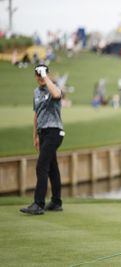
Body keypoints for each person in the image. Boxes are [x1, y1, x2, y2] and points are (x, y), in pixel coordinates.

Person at [20, 64, 65, 215]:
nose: (40, 77)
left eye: (42, 74)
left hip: (54, 131)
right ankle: (56, 202)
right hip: (43, 133)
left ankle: (39, 204)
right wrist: (35, 136)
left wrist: (46, 78)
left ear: (47, 75)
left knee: (41, 166)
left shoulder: (54, 87)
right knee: (52, 167)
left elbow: (57, 95)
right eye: (38, 75)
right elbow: (36, 114)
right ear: (35, 77)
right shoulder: (35, 92)